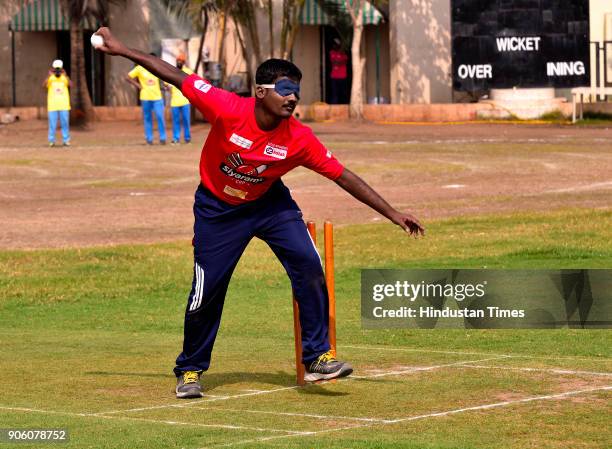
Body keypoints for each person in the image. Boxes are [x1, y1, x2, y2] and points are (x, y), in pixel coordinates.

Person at [93, 27, 425, 399]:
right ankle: (189, 369)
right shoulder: (227, 107)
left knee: (309, 264)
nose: (293, 98)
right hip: (218, 210)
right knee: (207, 291)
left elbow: (343, 176)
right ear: (260, 92)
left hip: (269, 205)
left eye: (296, 91)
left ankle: (317, 358)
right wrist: (124, 50)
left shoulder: (298, 138)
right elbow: (173, 73)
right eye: (285, 89)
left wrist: (392, 212)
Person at [126, 55, 167, 145]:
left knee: (160, 117)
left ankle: (163, 138)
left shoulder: (156, 68)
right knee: (147, 119)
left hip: (157, 98)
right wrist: (138, 86)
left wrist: (165, 86)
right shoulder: (139, 68)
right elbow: (128, 77)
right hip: (145, 98)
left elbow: (163, 79)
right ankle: (149, 139)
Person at [44, 59, 71, 147]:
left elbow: (71, 85)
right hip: (52, 105)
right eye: (56, 69)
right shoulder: (51, 78)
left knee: (65, 124)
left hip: (64, 105)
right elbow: (44, 86)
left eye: (59, 69)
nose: (58, 71)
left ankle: (66, 140)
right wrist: (48, 76)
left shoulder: (64, 78)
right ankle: (51, 141)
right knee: (52, 124)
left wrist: (66, 76)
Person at [169, 53, 194, 144]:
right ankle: (176, 139)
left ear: (183, 62)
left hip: (185, 101)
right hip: (174, 102)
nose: (179, 62)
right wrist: (168, 88)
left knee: (186, 121)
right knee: (175, 121)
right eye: (178, 60)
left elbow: (193, 83)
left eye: (181, 61)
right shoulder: (172, 71)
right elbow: (168, 85)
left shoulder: (188, 72)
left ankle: (187, 139)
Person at [329, 38, 348, 104]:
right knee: (334, 94)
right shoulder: (332, 52)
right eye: (333, 44)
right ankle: (334, 107)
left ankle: (344, 106)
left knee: (343, 93)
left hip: (342, 76)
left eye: (335, 44)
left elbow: (344, 62)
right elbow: (334, 62)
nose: (334, 46)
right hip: (334, 77)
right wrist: (339, 61)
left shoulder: (344, 54)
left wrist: (338, 61)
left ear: (338, 45)